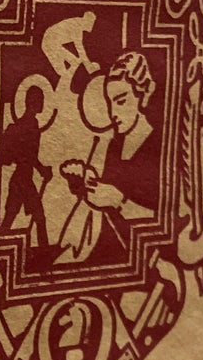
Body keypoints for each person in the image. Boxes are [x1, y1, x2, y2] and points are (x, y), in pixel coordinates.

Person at [59, 51, 163, 264]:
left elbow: (169, 222)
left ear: (142, 94)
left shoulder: (159, 145)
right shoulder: (114, 146)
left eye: (121, 101)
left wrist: (119, 202)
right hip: (107, 253)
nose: (112, 112)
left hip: (145, 261)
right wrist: (84, 182)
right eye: (109, 102)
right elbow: (101, 200)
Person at [0, 83, 52, 250]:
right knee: (37, 217)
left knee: (14, 217)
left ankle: (43, 251)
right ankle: (45, 252)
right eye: (41, 100)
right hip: (22, 180)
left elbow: (29, 155)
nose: (43, 103)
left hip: (22, 178)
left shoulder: (29, 123)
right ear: (33, 101)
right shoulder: (30, 124)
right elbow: (28, 155)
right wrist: (42, 170)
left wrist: (41, 169)